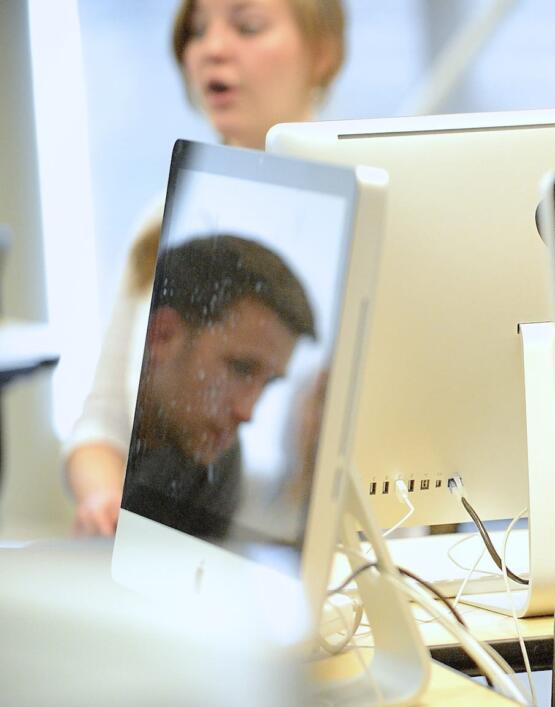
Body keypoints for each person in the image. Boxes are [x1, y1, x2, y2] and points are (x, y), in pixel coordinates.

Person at [64, 0, 346, 535]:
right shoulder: (161, 217)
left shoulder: (372, 210)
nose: (211, 48)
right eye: (196, 31)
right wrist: (102, 497)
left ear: (323, 52)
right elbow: (100, 423)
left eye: (247, 26)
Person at [122, 234, 316, 540]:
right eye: (240, 368)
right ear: (163, 335)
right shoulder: (106, 435)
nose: (247, 412)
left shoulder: (218, 458)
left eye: (269, 382)